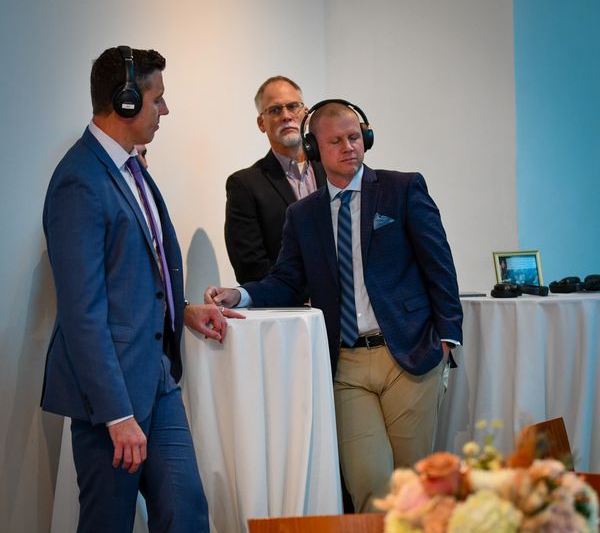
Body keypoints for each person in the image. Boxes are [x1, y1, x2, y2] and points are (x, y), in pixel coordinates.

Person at [205, 100, 463, 513]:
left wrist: (447, 338)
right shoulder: (302, 215)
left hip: (411, 355)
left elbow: (439, 264)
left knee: (415, 489)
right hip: (346, 366)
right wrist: (243, 294)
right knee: (371, 488)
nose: (349, 147)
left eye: (355, 137)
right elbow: (287, 281)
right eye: (336, 140)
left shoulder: (403, 188)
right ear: (313, 148)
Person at [41, 46, 241, 532]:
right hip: (112, 398)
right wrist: (115, 415)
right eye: (157, 100)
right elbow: (83, 313)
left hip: (158, 378)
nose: (165, 111)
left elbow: (138, 272)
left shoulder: (130, 168)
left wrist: (184, 309)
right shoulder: (79, 181)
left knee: (187, 512)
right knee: (108, 522)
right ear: (125, 102)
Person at [224, 76, 327, 283]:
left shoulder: (333, 170)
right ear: (262, 123)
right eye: (275, 110)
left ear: (305, 114)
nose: (286, 116)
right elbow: (250, 268)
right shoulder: (244, 185)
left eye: (292, 106)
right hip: (293, 309)